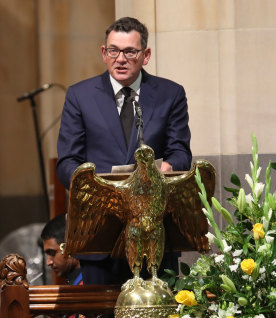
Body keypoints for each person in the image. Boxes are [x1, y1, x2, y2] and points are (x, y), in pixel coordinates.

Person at [56, 16, 192, 285]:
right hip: (100, 235)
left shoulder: (170, 94)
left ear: (146, 55)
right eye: (113, 50)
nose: (121, 58)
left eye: (130, 51)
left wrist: (166, 169)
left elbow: (181, 153)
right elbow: (66, 163)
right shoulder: (80, 96)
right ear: (103, 53)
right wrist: (95, 184)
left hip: (153, 232)